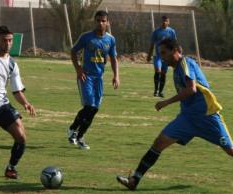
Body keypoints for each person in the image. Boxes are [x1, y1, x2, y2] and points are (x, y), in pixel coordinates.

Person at [117, 39, 233, 190]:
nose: (162, 57)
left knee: (230, 150)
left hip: (207, 117)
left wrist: (166, 102)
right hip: (187, 119)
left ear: (175, 50)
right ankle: (134, 180)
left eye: (164, 53)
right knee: (159, 142)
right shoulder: (176, 69)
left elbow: (191, 89)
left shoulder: (185, 63)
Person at [0, 26, 36, 179]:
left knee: (21, 137)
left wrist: (26, 103)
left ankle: (11, 168)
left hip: (2, 106)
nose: (8, 43)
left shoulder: (12, 64)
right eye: (4, 40)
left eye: (10, 40)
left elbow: (16, 90)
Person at [67, 10, 120, 150]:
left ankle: (74, 130)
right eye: (98, 20)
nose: (100, 23)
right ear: (94, 21)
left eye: (103, 21)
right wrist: (78, 69)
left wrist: (116, 75)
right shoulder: (86, 37)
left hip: (99, 78)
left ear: (108, 23)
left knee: (94, 109)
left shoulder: (110, 39)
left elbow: (113, 58)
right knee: (89, 106)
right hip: (86, 76)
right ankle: (78, 135)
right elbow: (73, 51)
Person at [147, 15, 177, 97]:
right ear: (161, 21)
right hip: (158, 56)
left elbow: (174, 44)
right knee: (157, 70)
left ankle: (160, 91)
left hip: (167, 57)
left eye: (166, 21)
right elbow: (152, 44)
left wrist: (175, 55)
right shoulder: (156, 32)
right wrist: (149, 55)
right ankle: (156, 90)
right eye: (163, 20)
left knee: (164, 73)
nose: (164, 22)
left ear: (168, 22)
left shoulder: (172, 32)